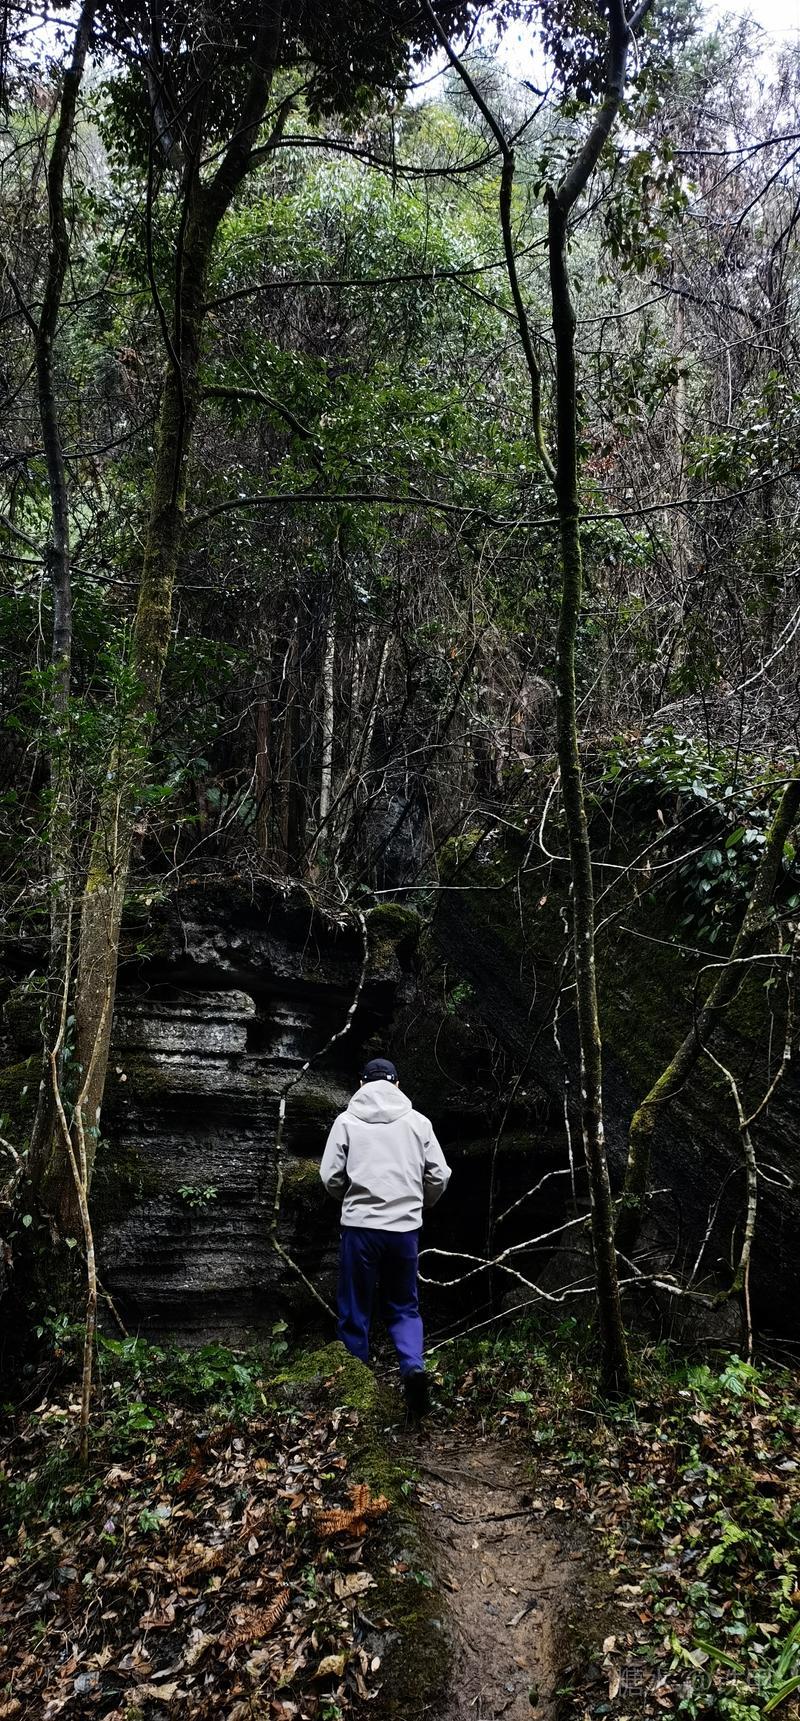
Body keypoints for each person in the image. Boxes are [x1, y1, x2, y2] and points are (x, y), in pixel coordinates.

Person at [319, 1056, 451, 1416]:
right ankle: (412, 1367)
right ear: (397, 1085)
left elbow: (329, 1176)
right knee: (404, 1305)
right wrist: (419, 1202)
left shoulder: (346, 1122)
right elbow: (439, 1175)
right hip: (404, 1230)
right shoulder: (418, 1122)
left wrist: (349, 1198)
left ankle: (356, 1388)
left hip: (360, 1229)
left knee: (355, 1307)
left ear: (362, 1084)